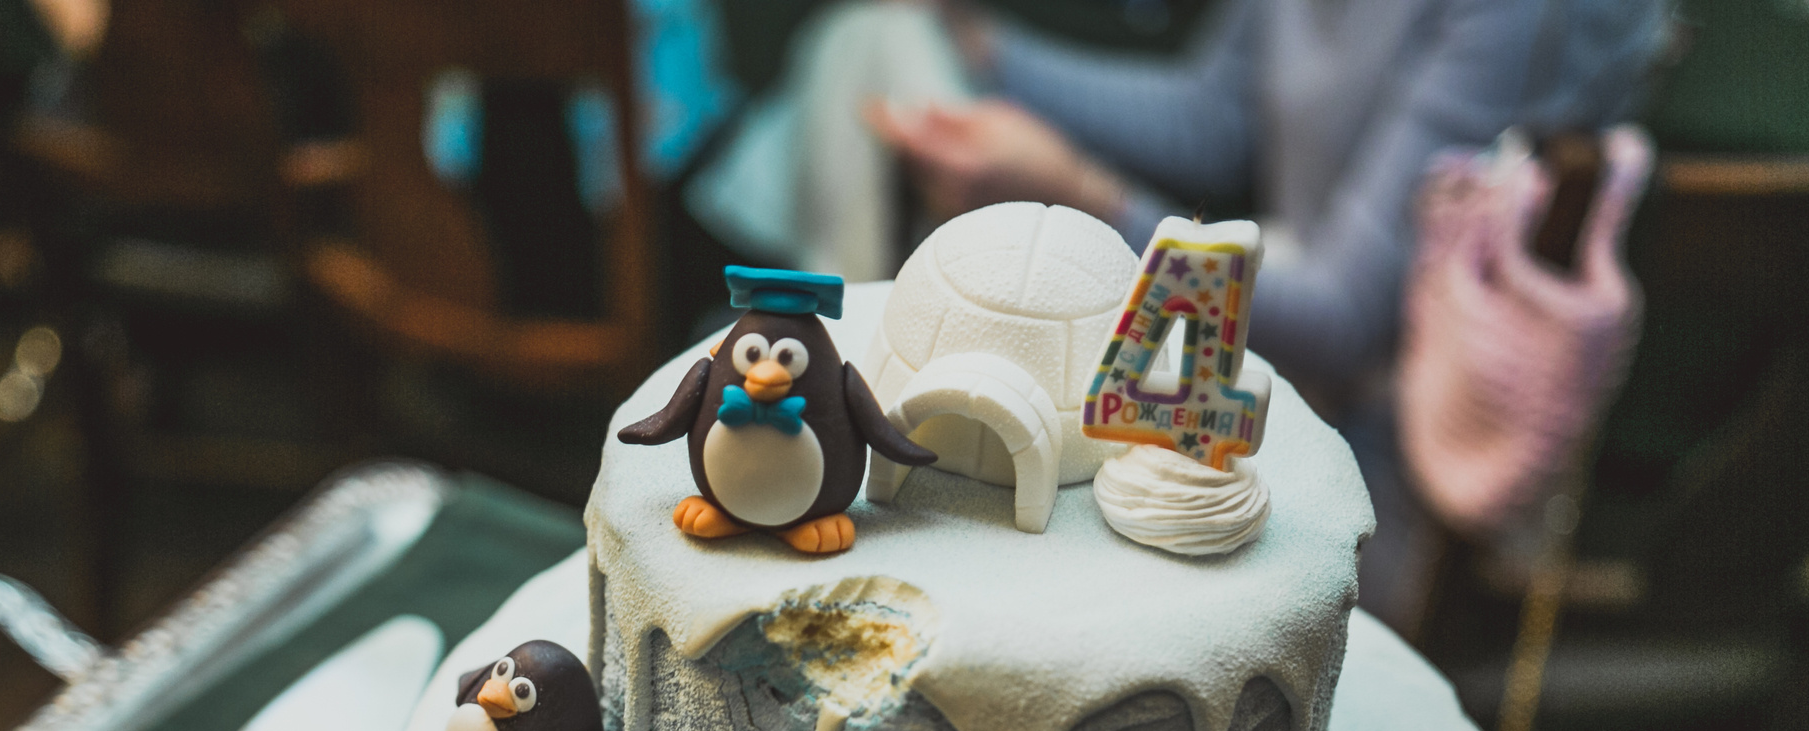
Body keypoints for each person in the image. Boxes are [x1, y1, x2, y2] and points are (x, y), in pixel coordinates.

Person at [688, 0, 1664, 632]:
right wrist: (986, 53)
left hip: (1374, 454)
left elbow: (1345, 318)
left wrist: (1077, 189)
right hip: (1260, 358)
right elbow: (1213, 117)